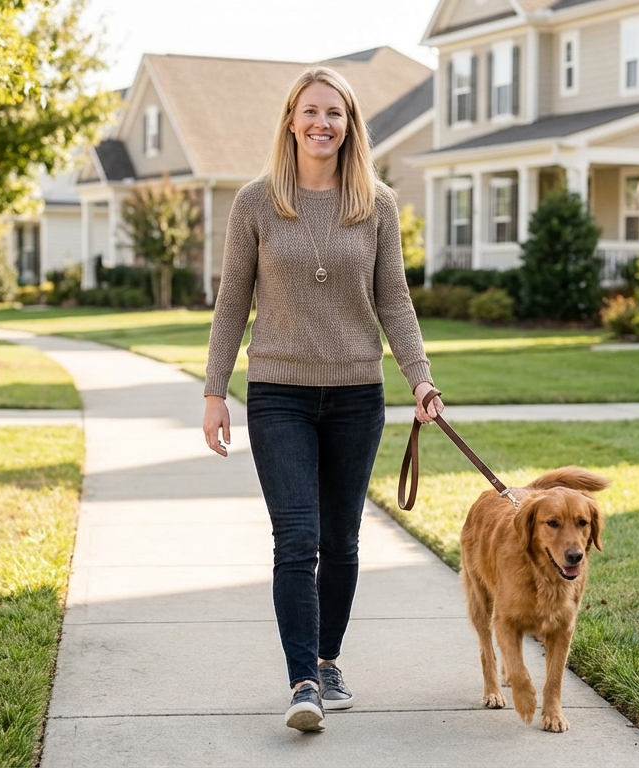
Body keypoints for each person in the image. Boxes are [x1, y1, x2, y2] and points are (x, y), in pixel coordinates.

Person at [201, 66, 444, 733]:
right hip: (278, 393)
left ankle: (328, 660)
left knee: (340, 540)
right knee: (297, 538)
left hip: (356, 397)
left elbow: (394, 298)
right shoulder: (255, 202)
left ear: (350, 126)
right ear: (290, 120)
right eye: (311, 112)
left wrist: (419, 376)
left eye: (335, 114)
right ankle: (303, 679)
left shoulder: (377, 202)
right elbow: (231, 303)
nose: (322, 124)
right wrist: (215, 389)